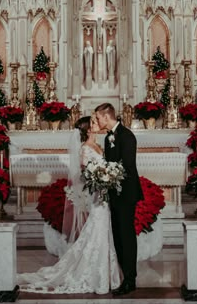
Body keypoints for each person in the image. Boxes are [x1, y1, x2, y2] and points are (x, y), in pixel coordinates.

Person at [17, 116, 120, 294]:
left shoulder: (98, 145)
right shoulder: (85, 149)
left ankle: (104, 273)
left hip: (103, 196)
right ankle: (95, 275)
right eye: (94, 123)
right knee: (98, 230)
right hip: (97, 196)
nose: (97, 124)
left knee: (102, 231)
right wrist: (101, 181)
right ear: (88, 129)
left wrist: (109, 178)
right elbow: (86, 174)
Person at [95, 103, 144, 295]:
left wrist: (110, 174)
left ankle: (131, 279)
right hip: (114, 193)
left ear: (106, 117)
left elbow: (128, 166)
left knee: (126, 236)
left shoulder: (127, 136)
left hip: (126, 193)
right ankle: (124, 275)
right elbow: (109, 162)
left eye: (98, 118)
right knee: (117, 236)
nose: (97, 121)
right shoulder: (108, 138)